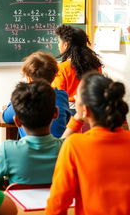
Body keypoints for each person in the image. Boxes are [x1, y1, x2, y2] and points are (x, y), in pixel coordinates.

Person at [46, 72, 130, 215]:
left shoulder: (75, 145)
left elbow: (58, 205)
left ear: (85, 109)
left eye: (78, 96)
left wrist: (78, 118)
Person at [0, 80, 74, 187]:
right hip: (59, 203)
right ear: (56, 113)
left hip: (18, 204)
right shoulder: (69, 149)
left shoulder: (7, 150)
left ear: (17, 121)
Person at [2, 51, 71, 138]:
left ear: (29, 78)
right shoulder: (62, 96)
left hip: (30, 149)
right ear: (54, 76)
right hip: (59, 149)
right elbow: (66, 118)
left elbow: (6, 117)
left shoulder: (25, 97)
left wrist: (10, 104)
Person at [52, 24, 103, 113]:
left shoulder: (62, 68)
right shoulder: (95, 65)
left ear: (66, 45)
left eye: (59, 42)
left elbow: (57, 95)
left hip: (69, 112)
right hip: (92, 111)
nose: (58, 45)